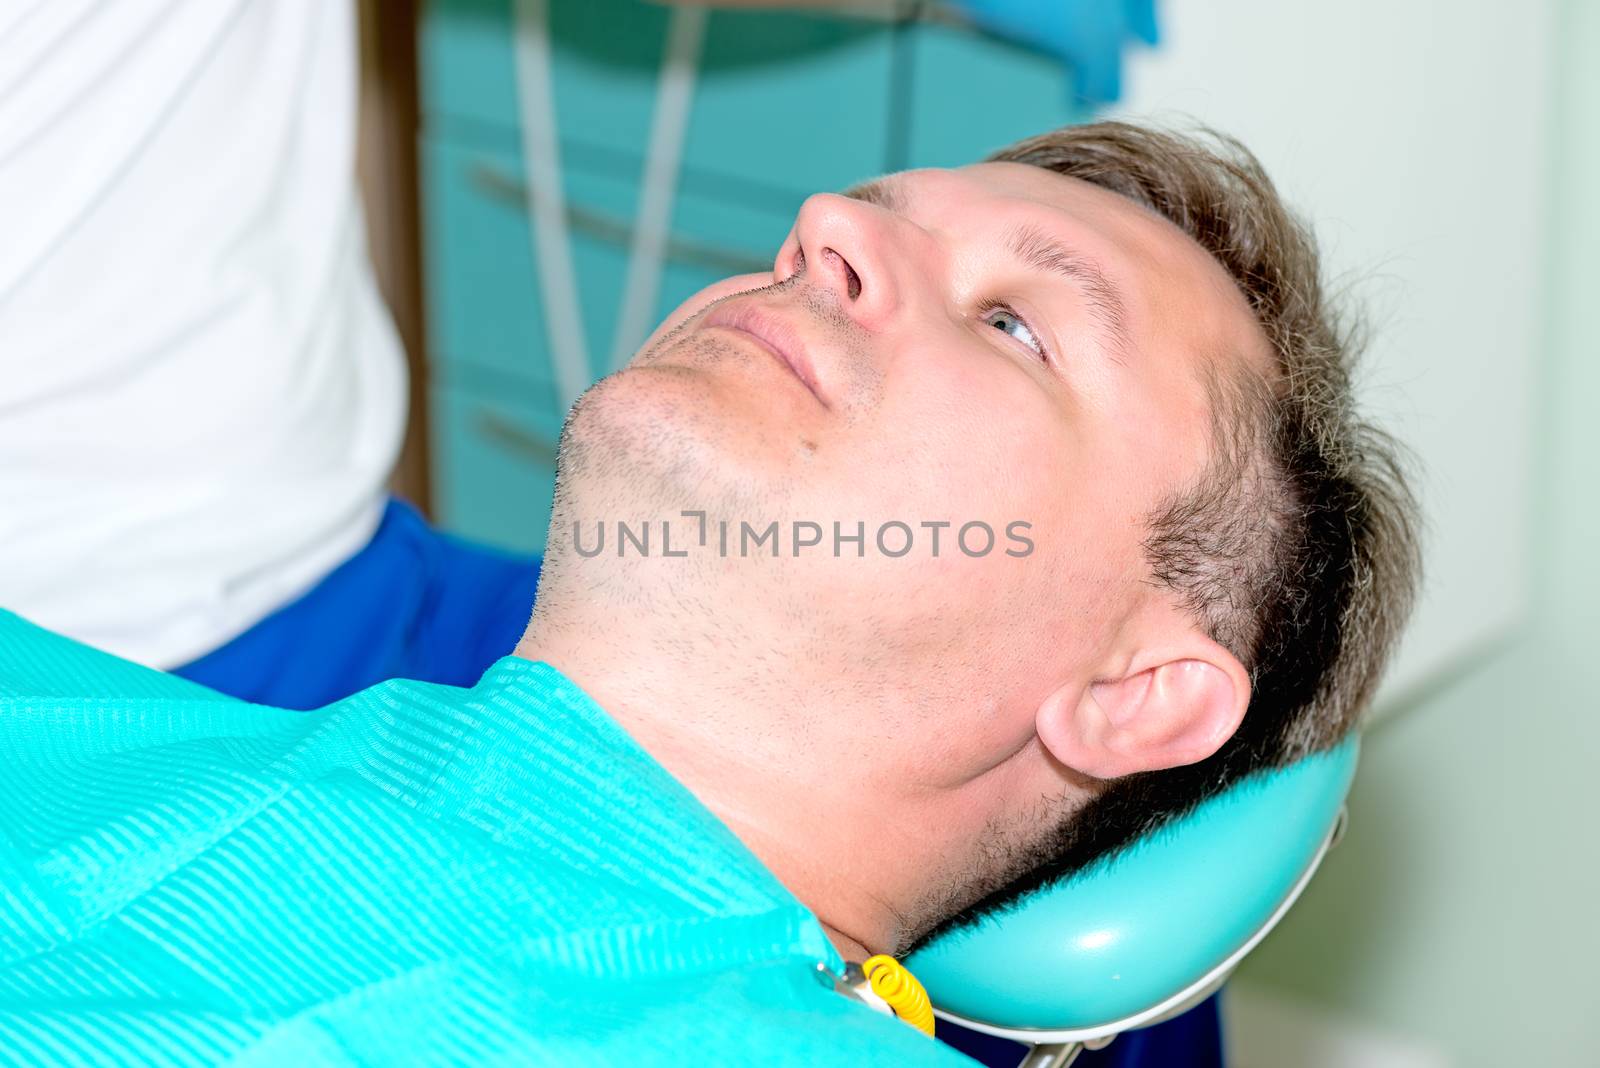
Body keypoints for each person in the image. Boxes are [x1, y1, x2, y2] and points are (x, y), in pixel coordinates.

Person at [0, 121, 1420, 1065]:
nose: (817, 230)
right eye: (862, 222)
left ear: (1131, 692)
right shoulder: (72, 708)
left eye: (1012, 324)